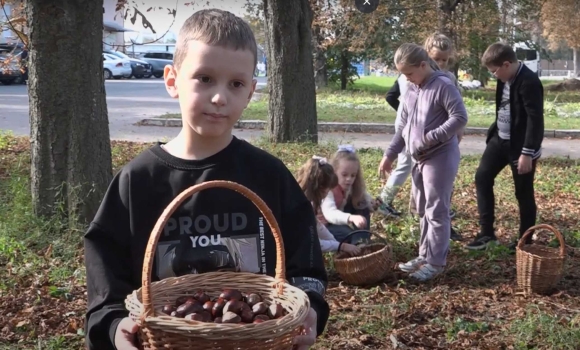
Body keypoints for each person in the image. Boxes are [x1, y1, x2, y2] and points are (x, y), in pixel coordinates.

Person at [84, 9, 329, 350]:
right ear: (172, 80)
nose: (219, 97)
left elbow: (307, 266)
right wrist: (114, 327)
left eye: (236, 84)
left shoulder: (268, 177)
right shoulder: (137, 182)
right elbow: (105, 284)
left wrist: (311, 308)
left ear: (251, 92)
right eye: (204, 78)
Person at [378, 43, 468, 281]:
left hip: (440, 156)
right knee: (422, 210)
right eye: (403, 75)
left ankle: (436, 263)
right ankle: (424, 254)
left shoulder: (443, 85)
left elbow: (459, 117)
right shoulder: (410, 88)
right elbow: (404, 126)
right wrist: (390, 154)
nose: (406, 79)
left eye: (409, 73)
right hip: (419, 158)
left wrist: (430, 137)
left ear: (423, 65)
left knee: (437, 210)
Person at [466, 43, 544, 251]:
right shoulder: (505, 78)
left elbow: (535, 120)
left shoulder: (529, 82)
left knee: (523, 192)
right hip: (499, 140)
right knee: (482, 177)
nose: (494, 76)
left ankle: (524, 241)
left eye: (494, 72)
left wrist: (527, 152)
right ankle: (487, 234)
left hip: (521, 147)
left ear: (506, 64)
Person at [379, 33, 461, 220]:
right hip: (410, 133)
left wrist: (451, 133)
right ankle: (393, 203)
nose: (440, 63)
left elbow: (458, 114)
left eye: (444, 60)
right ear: (425, 58)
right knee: (408, 166)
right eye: (436, 59)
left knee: (434, 177)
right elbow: (394, 98)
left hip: (434, 140)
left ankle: (435, 213)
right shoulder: (410, 77)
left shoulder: (446, 81)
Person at [296, 155, 362, 256]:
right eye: (328, 189)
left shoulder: (310, 202)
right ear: (320, 187)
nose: (328, 193)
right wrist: (340, 246)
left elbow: (318, 226)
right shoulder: (301, 207)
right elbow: (312, 242)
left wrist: (335, 242)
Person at [320, 145, 373, 245]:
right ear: (334, 172)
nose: (349, 179)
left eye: (353, 175)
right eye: (344, 175)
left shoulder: (349, 186)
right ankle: (357, 243)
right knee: (349, 234)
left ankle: (362, 240)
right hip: (325, 226)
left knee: (362, 203)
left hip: (340, 218)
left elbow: (364, 196)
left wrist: (373, 204)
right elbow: (330, 214)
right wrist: (351, 218)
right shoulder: (328, 190)